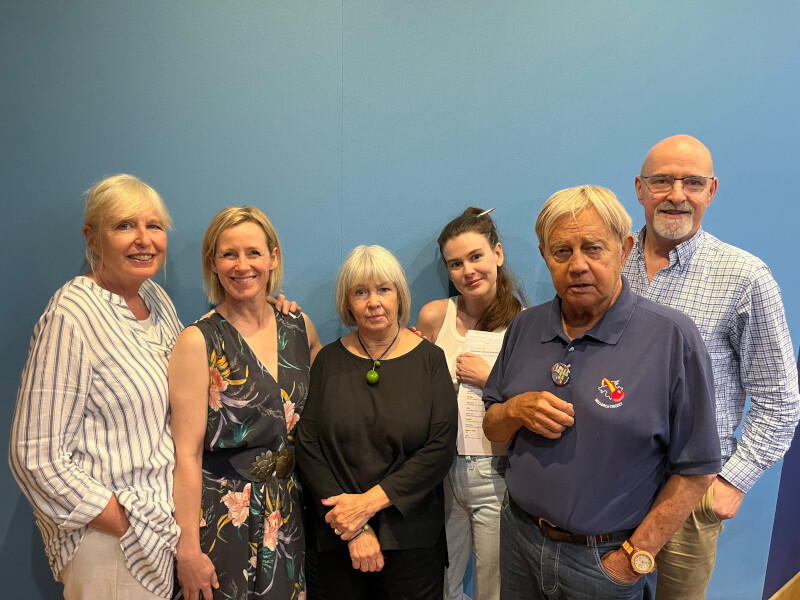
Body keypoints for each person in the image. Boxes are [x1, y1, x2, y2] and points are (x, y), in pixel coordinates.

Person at [482, 185, 721, 600]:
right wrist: (515, 410)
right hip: (519, 539)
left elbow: (697, 469)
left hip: (604, 562)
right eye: (562, 252)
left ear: (624, 248)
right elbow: (492, 426)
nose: (578, 266)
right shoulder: (525, 327)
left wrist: (634, 557)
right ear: (543, 255)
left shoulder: (671, 337)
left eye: (593, 248)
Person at [623, 134, 800, 599]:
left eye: (692, 183)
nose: (677, 195)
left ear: (711, 191)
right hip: (610, 486)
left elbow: (780, 402)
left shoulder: (745, 278)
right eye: (663, 181)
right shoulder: (610, 264)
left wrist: (730, 483)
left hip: (689, 495)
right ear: (640, 189)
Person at [9, 174, 183, 599]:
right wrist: (118, 519)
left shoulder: (157, 301)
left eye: (154, 226)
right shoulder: (72, 314)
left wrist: (262, 308)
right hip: (111, 545)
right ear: (92, 237)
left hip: (162, 532)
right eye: (124, 226)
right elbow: (33, 453)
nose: (143, 240)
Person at [168, 206, 321, 600]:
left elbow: (337, 392)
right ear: (213, 264)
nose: (242, 265)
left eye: (253, 253)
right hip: (222, 517)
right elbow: (185, 455)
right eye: (228, 254)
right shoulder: (198, 341)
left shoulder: (299, 328)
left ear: (273, 257)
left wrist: (400, 345)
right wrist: (187, 550)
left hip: (287, 512)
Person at [295, 245, 457, 600]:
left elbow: (440, 449)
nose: (373, 302)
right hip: (336, 535)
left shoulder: (430, 359)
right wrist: (354, 527)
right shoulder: (328, 361)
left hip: (412, 539)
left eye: (384, 289)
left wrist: (366, 505)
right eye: (360, 292)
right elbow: (307, 446)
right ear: (347, 303)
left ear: (399, 295)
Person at [416, 207, 525, 600]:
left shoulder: (525, 324)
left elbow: (532, 404)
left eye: (476, 257)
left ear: (497, 253)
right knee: (440, 578)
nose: (468, 271)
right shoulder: (434, 317)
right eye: (456, 263)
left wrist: (490, 379)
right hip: (441, 468)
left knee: (493, 585)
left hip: (496, 470)